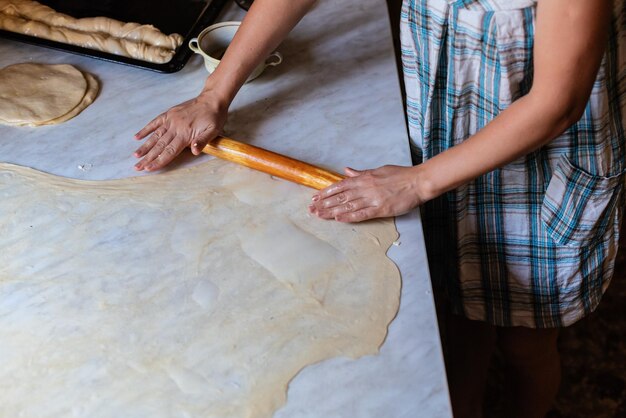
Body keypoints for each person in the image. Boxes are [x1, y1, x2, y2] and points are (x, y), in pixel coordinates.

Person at [133, 0, 624, 417]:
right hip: (444, 136)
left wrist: (416, 182)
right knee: (458, 318)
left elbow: (558, 102)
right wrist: (214, 95)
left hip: (540, 168)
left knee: (526, 341)